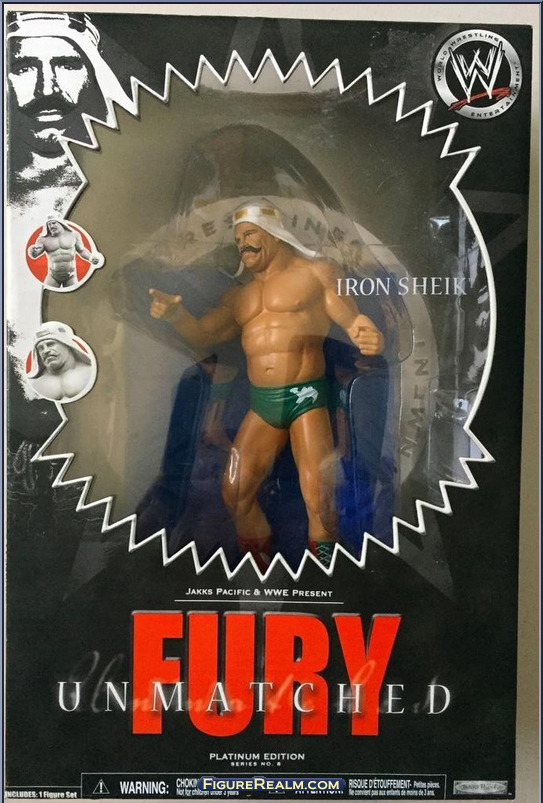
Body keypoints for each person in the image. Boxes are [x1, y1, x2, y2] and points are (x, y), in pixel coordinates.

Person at [149, 201, 384, 569]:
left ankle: (325, 571)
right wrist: (176, 314)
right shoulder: (239, 296)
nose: (243, 243)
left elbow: (353, 321)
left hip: (307, 398)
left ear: (274, 233)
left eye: (250, 233)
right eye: (238, 239)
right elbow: (204, 335)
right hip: (262, 402)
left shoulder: (316, 272)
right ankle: (256, 570)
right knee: (235, 492)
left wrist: (368, 335)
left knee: (319, 497)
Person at [6, 11, 134, 207]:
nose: (47, 89)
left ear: (94, 74)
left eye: (66, 65)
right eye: (23, 68)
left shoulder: (134, 181)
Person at [27, 321, 94, 402]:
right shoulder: (35, 384)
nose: (46, 351)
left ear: (67, 345)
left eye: (50, 344)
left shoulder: (90, 372)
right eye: (40, 348)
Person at [28, 219, 103, 288]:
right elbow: (35, 254)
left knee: (74, 295)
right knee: (47, 294)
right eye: (49, 224)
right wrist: (31, 251)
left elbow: (81, 250)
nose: (51, 226)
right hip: (53, 277)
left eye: (54, 223)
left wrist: (91, 258)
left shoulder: (74, 235)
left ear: (61, 223)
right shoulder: (43, 239)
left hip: (70, 276)